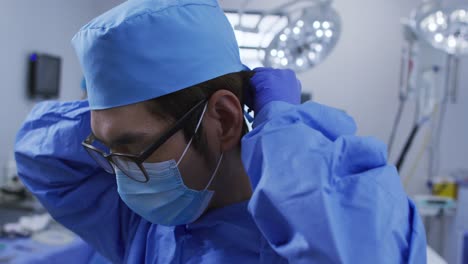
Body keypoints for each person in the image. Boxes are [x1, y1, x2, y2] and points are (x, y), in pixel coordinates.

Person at [15, 0, 427, 263]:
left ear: (226, 120)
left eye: (134, 148)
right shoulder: (150, 225)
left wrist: (281, 124)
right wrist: (117, 103)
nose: (122, 176)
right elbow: (36, 152)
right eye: (108, 152)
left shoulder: (294, 236)